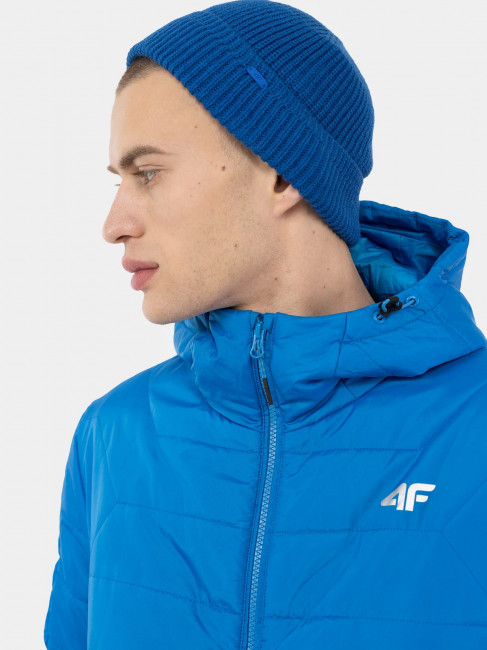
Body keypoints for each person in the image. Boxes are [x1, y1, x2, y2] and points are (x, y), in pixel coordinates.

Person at [44, 1, 487, 648]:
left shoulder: (473, 426)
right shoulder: (113, 434)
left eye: (149, 173)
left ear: (282, 173)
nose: (114, 225)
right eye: (119, 181)